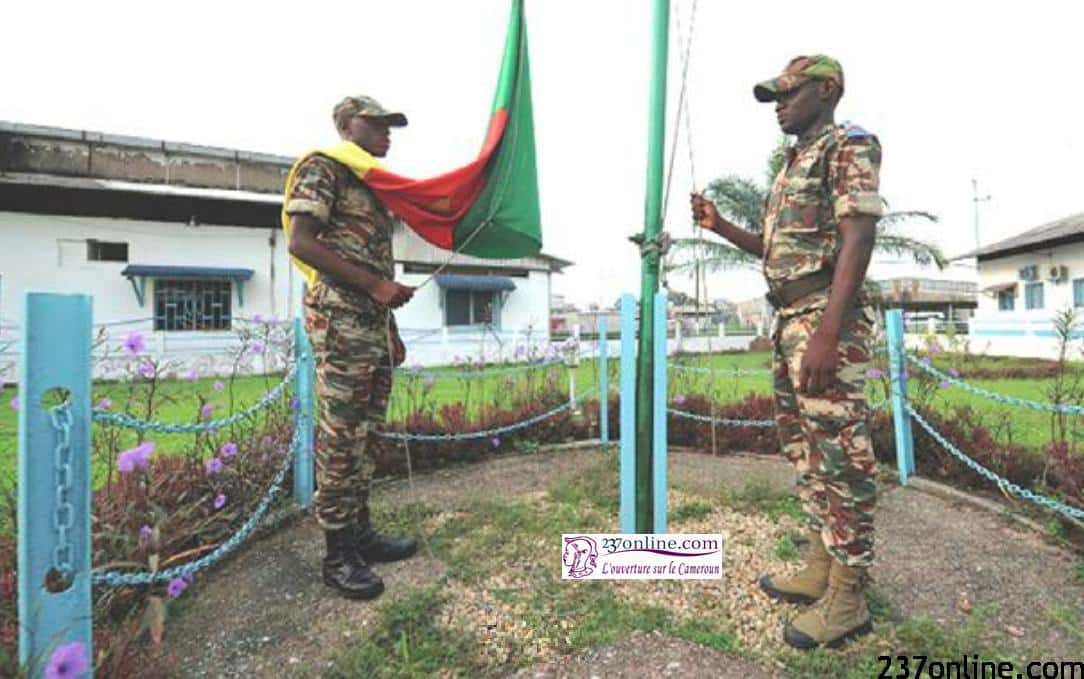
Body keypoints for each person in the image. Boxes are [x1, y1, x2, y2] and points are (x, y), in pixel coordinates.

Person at [690, 55, 882, 649]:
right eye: (775, 95)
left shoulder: (849, 144)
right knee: (806, 451)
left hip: (826, 321)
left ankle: (848, 596)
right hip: (790, 319)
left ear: (826, 91)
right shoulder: (793, 161)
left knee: (842, 458)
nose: (779, 104)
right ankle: (822, 564)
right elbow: (778, 250)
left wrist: (828, 331)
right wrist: (722, 226)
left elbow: (859, 235)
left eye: (789, 93)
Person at [285, 95, 419, 600]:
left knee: (366, 434)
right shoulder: (326, 169)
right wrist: (374, 286)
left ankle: (360, 534)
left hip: (370, 326)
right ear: (347, 125)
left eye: (391, 126)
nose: (387, 132)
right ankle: (338, 555)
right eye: (377, 123)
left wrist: (389, 328)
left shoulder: (373, 187)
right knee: (341, 439)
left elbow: (375, 271)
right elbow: (301, 241)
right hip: (340, 323)